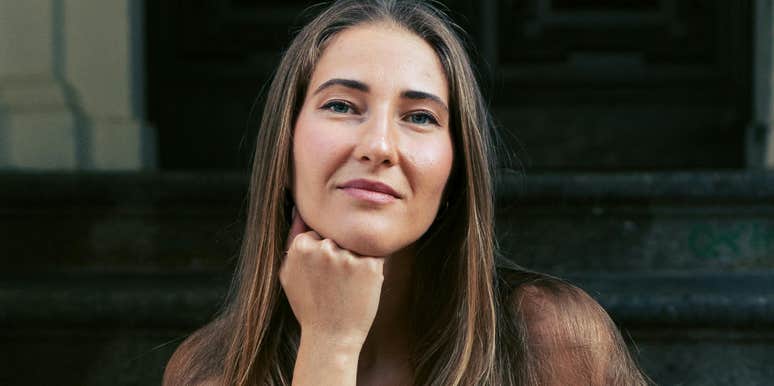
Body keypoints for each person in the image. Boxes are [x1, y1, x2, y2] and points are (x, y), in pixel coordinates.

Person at [163, 0, 650, 385]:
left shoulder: (547, 341)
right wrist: (330, 344)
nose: (378, 146)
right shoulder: (214, 372)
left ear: (456, 170)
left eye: (420, 117)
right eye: (341, 105)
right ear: (285, 152)